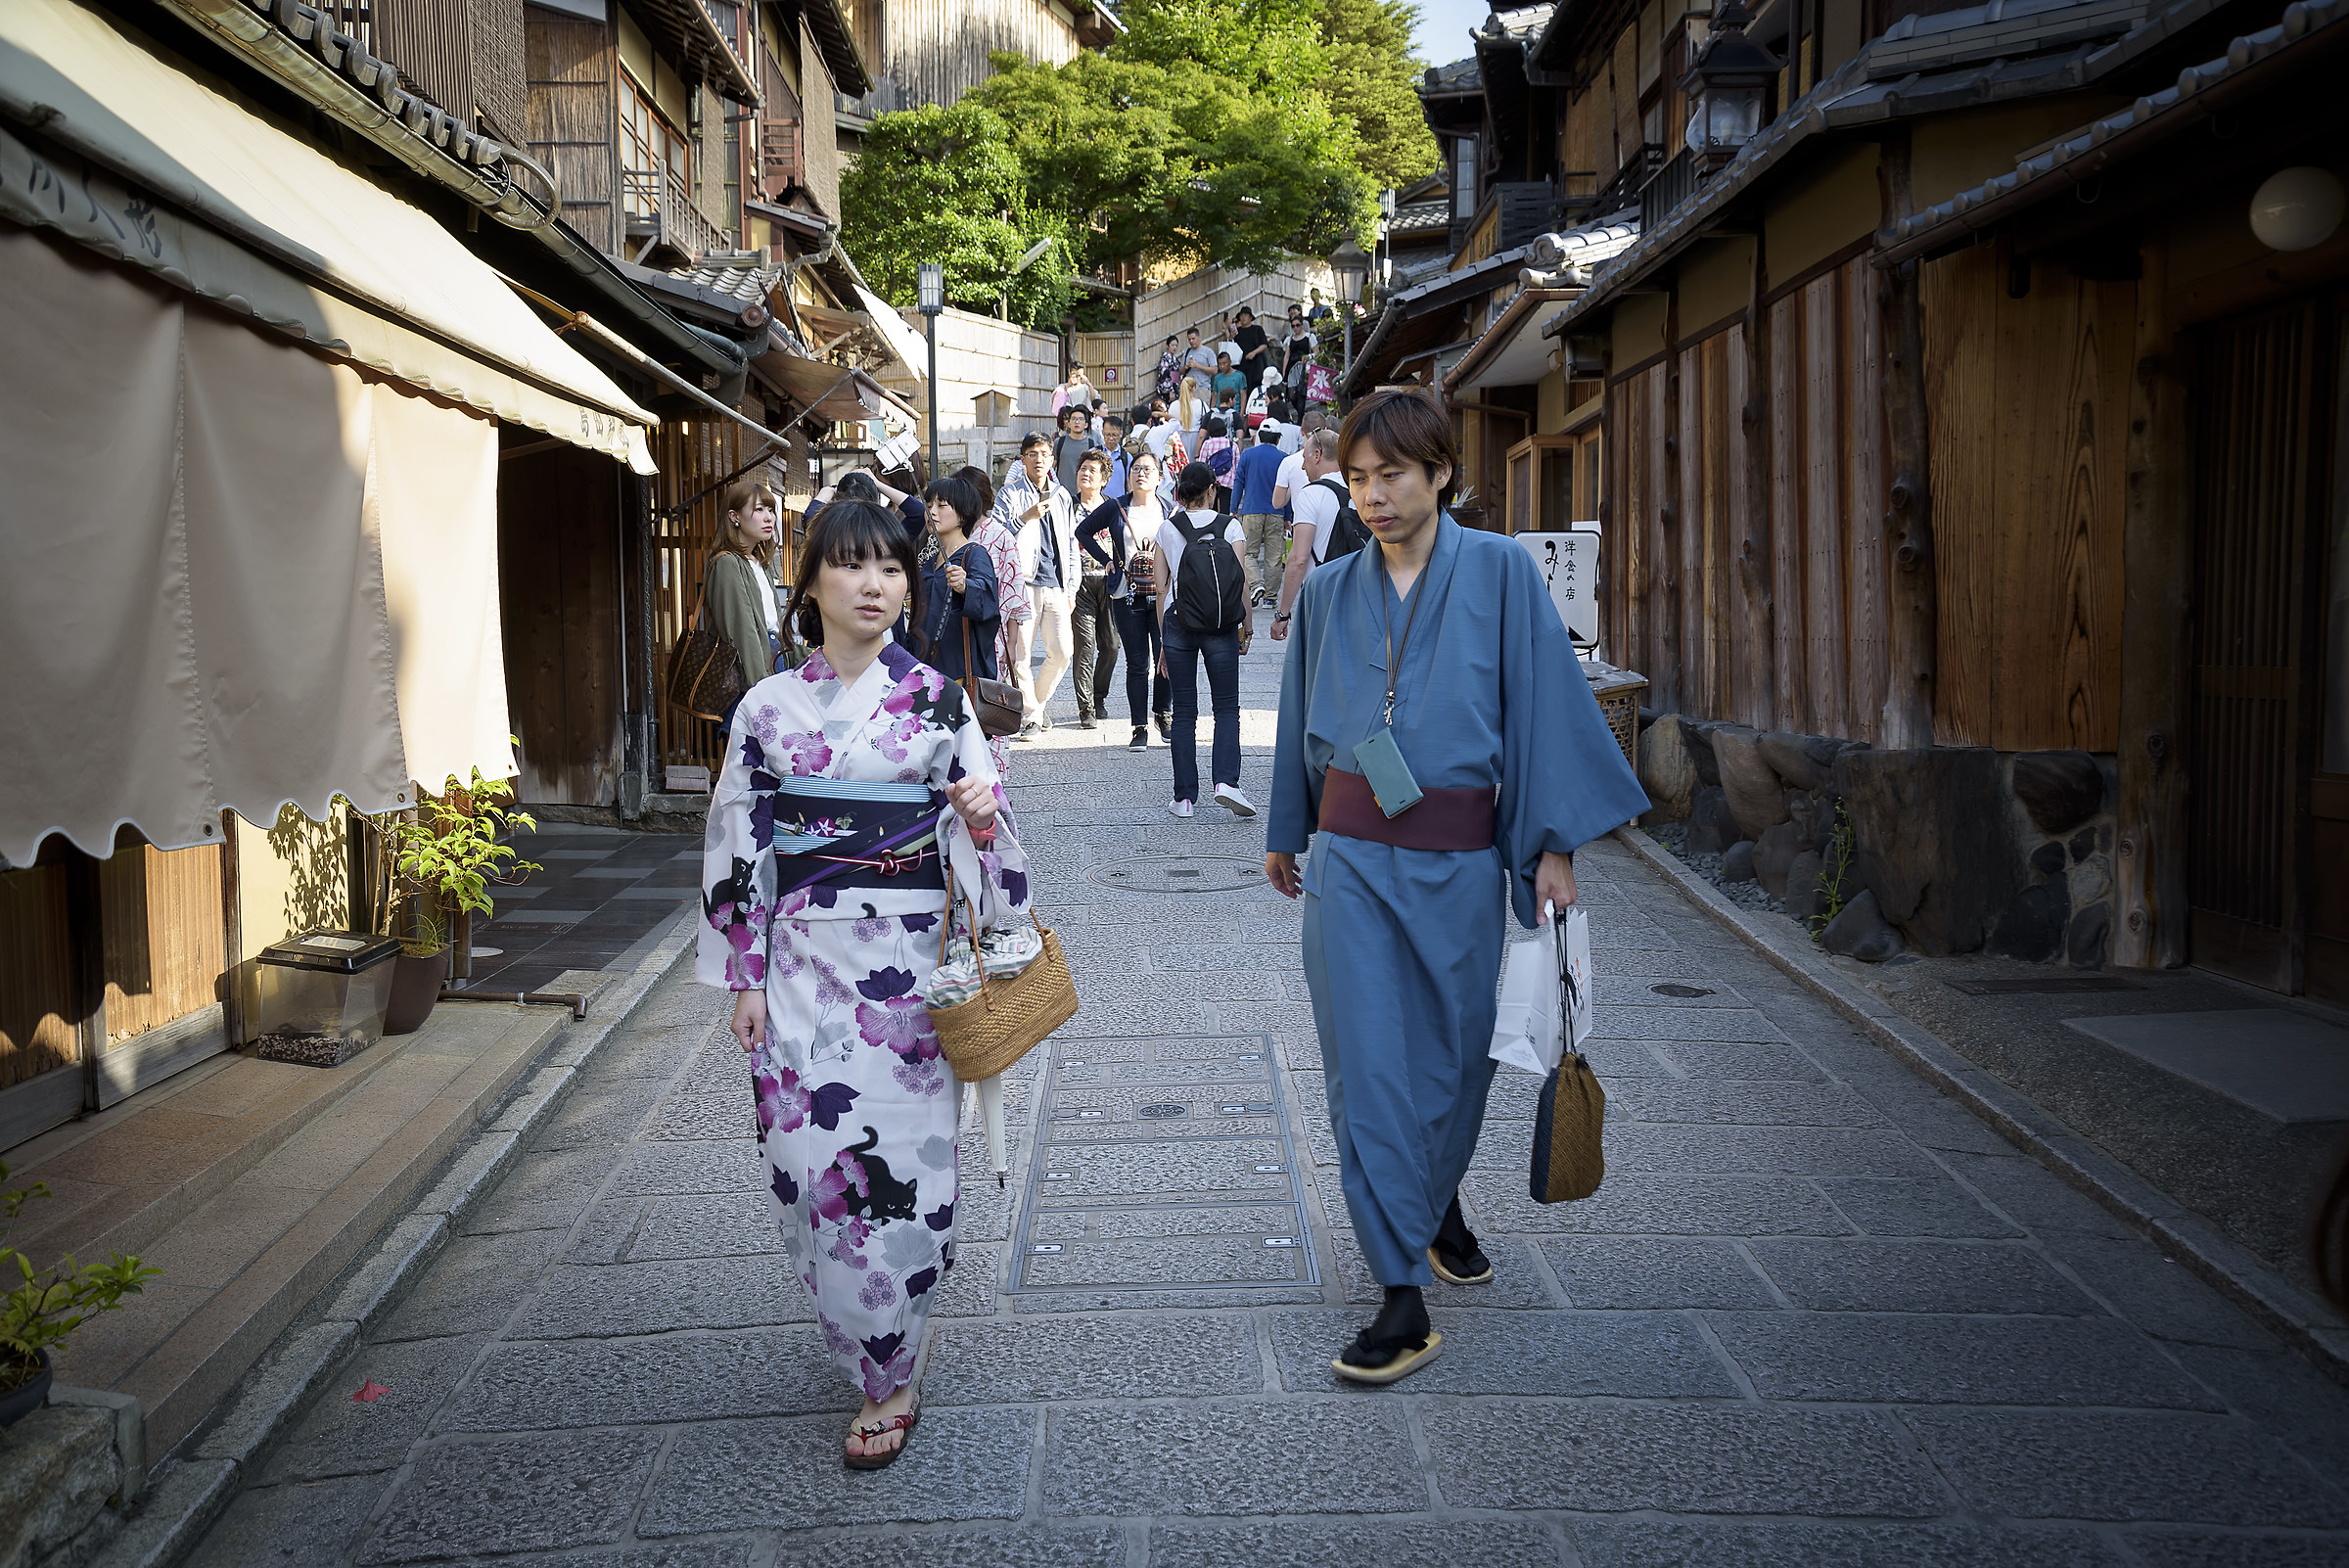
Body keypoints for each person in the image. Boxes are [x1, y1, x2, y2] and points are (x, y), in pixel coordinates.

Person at [1264, 390, 1646, 1385]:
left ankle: (1431, 1206)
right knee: (1370, 1072)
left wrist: (1554, 842)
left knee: (1455, 1062)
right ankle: (1400, 1294)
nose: (1374, 496)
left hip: (1462, 857)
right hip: (1348, 859)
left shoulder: (1504, 574)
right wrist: (1284, 829)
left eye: (1392, 474)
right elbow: (1300, 712)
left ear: (1439, 473)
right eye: (1356, 479)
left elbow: (1545, 711)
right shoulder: (1331, 589)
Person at [703, 497, 1029, 1470]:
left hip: (909, 976)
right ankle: (864, 1325)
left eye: (891, 566)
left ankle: (891, 1369)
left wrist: (978, 811)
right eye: (850, 566)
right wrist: (744, 974)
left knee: (911, 1179)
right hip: (802, 965)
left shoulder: (936, 701)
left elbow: (1001, 858)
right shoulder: (767, 711)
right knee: (807, 1167)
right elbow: (738, 843)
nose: (875, 584)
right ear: (809, 584)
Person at [1156, 461, 1253, 819]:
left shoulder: (1167, 529)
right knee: (1226, 707)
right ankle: (1227, 781)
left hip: (1179, 623)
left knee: (1184, 712)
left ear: (1180, 491)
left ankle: (1183, 798)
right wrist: (1248, 627)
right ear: (1212, 489)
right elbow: (1240, 581)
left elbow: (1162, 588)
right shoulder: (1230, 526)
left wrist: (1164, 641)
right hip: (1221, 624)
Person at [1078, 449, 1174, 750]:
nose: (1140, 473)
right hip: (1126, 594)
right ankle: (1139, 727)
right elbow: (1083, 531)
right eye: (1135, 469)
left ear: (1160, 478)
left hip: (1162, 595)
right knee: (1136, 663)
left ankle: (1163, 713)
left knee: (1165, 656)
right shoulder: (1117, 507)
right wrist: (1107, 559)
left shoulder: (1169, 510)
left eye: (1148, 470)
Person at [992, 434, 1077, 739]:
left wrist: (1071, 587)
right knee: (1021, 656)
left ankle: (1035, 707)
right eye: (1032, 454)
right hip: (1023, 583)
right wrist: (1025, 517)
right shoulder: (1009, 494)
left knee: (1063, 651)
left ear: (1052, 459)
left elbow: (1070, 542)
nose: (1038, 459)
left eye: (1043, 454)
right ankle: (1030, 718)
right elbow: (998, 534)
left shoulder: (1062, 495)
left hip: (1055, 583)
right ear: (1023, 459)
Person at [954, 464, 1028, 778]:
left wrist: (1011, 644)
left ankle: (991, 777)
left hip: (988, 634)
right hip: (952, 635)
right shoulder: (949, 533)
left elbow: (1012, 591)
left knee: (986, 702)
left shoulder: (998, 535)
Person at [705, 482, 794, 727]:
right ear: (734, 517)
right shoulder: (727, 564)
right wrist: (762, 690)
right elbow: (741, 633)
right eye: (758, 510)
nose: (769, 518)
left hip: (773, 662)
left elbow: (774, 624)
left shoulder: (758, 563)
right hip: (752, 675)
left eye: (771, 510)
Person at [911, 476, 1002, 680]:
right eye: (928, 505)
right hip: (922, 665)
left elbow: (988, 602)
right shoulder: (929, 557)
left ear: (963, 514)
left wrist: (965, 586)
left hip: (958, 670)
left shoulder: (974, 554)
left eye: (941, 505)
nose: (931, 511)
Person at [1269, 427, 1344, 641]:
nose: (1303, 466)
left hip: (1320, 594)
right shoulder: (1358, 489)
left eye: (1305, 458)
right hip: (1357, 592)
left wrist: (1283, 613)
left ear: (1317, 455)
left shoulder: (1311, 495)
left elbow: (1299, 559)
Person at [1065, 447, 1121, 730]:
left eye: (1092, 470)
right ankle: (1086, 707)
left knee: (1111, 646)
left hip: (1110, 584)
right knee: (1084, 647)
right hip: (1080, 583)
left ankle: (1099, 696)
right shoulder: (1068, 508)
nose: (1085, 473)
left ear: (1104, 480)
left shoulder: (1113, 507)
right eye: (1082, 468)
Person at [1231, 424, 1287, 608]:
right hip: (1277, 512)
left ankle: (1256, 584)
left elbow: (1238, 482)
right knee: (1274, 556)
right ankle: (1270, 598)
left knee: (1248, 553)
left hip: (1251, 510)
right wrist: (1289, 516)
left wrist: (1233, 509)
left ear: (1260, 436)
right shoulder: (1283, 459)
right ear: (1278, 438)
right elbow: (1288, 490)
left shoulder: (1247, 455)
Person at [1051, 403, 1094, 493]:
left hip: (1084, 494)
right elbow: (1051, 468)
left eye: (1080, 419)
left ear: (1086, 424)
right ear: (1069, 424)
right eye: (1073, 419)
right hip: (1061, 493)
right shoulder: (1059, 442)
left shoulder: (1092, 444)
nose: (1077, 422)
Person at [1230, 304, 1271, 386]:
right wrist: (1231, 335)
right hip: (1240, 363)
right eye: (1241, 316)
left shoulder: (1257, 329)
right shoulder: (1237, 331)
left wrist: (1254, 353)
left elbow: (1264, 345)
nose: (1243, 318)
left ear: (1250, 317)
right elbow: (1231, 345)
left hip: (1255, 363)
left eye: (1246, 315)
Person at [1282, 306, 1317, 398]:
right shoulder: (1289, 339)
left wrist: (1308, 357)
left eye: (1297, 325)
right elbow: (1286, 356)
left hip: (1305, 365)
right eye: (1293, 326)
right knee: (1292, 395)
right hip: (1292, 366)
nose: (1295, 328)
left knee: (1303, 392)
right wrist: (1284, 371)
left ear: (1302, 325)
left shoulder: (1309, 337)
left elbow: (1317, 352)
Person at [1097, 414, 1133, 499]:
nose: (1111, 438)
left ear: (1121, 434)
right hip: (1098, 504)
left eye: (1114, 435)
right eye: (1107, 434)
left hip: (1119, 504)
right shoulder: (1094, 454)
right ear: (1102, 433)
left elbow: (1130, 484)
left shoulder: (1127, 457)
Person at [1210, 351, 1247, 415]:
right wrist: (1211, 411)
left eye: (1224, 363)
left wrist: (1241, 413)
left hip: (1235, 411)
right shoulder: (1217, 377)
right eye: (1220, 364)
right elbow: (1215, 395)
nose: (1222, 366)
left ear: (1230, 362)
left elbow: (1243, 396)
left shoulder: (1239, 376)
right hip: (1219, 411)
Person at [1154, 336, 1183, 404]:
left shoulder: (1175, 359)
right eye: (1172, 345)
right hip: (1168, 390)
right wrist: (1170, 390)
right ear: (1167, 346)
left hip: (1175, 387)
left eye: (1176, 345)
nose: (1174, 347)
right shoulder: (1165, 359)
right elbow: (1163, 375)